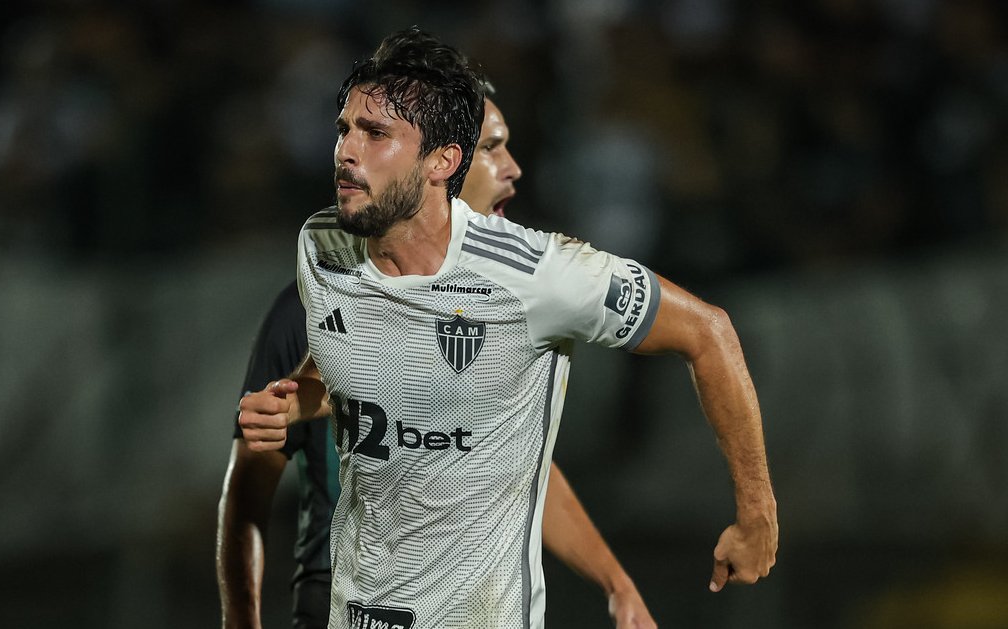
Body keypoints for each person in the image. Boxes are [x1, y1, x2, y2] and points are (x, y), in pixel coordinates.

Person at [239, 28, 777, 629]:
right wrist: (294, 404)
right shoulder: (322, 246)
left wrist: (756, 513)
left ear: (443, 161)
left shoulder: (535, 274)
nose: (345, 150)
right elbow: (360, 367)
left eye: (375, 133)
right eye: (344, 129)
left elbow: (708, 331)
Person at [217, 84, 657, 627]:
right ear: (444, 163)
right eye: (491, 148)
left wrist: (615, 583)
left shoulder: (500, 298)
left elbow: (521, 470)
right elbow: (248, 492)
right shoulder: (321, 296)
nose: (512, 168)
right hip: (342, 600)